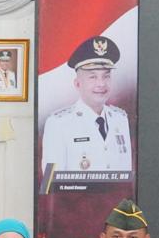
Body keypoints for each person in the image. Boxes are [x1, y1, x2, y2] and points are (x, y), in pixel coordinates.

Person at [41, 35, 133, 174]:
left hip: (117, 196)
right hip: (74, 196)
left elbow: (126, 177)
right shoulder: (58, 124)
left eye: (106, 76)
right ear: (78, 84)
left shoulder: (120, 119)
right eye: (92, 77)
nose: (101, 83)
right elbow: (50, 183)